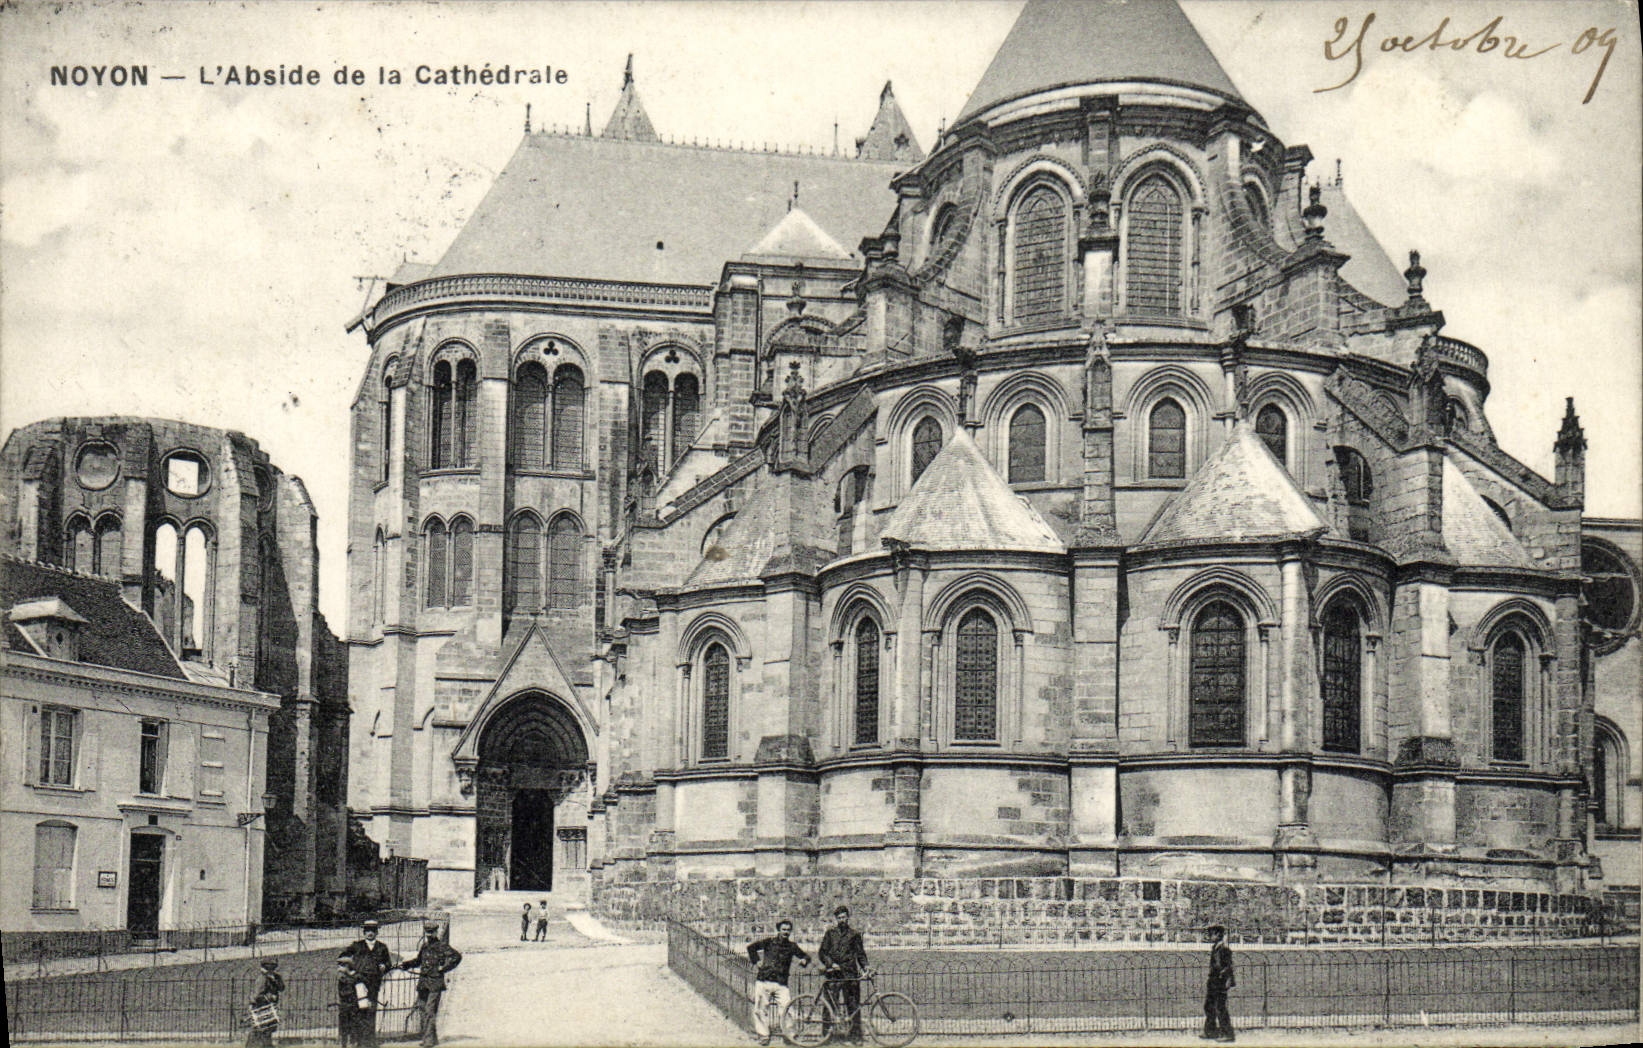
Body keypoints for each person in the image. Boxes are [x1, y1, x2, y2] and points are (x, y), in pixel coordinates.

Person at [397, 921, 463, 1048]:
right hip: (423, 983)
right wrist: (406, 965)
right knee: (422, 1009)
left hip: (435, 983)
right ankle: (431, 1038)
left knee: (430, 1011)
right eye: (427, 932)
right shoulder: (425, 946)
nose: (429, 934)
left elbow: (457, 957)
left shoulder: (442, 946)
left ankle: (429, 1040)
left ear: (436, 932)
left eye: (431, 932)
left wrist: (443, 968)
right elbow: (418, 961)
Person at [746, 919, 810, 1046]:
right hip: (764, 980)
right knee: (760, 1009)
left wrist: (804, 961)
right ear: (778, 930)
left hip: (781, 983)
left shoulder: (792, 946)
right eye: (783, 929)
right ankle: (764, 1035)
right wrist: (757, 961)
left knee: (787, 1009)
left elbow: (806, 956)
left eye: (788, 930)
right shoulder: (769, 942)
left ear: (790, 931)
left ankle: (789, 1035)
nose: (786, 932)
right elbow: (751, 948)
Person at [818, 905, 871, 1044]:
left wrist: (866, 967)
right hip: (833, 975)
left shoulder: (854, 934)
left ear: (848, 917)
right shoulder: (830, 934)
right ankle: (826, 1036)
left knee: (853, 1006)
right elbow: (822, 952)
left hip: (850, 974)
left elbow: (860, 954)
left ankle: (856, 1037)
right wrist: (831, 964)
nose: (842, 920)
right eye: (839, 918)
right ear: (836, 919)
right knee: (829, 1005)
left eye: (844, 917)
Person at [339, 919, 394, 1048]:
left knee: (371, 1010)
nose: (370, 933)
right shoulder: (357, 946)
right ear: (364, 933)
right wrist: (350, 971)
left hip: (374, 983)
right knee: (358, 1010)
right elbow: (341, 958)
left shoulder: (382, 947)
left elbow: (388, 963)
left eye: (373, 931)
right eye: (367, 931)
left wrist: (384, 966)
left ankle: (370, 1041)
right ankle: (358, 1041)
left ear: (377, 932)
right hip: (359, 983)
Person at [1202, 924, 1235, 1043]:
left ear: (1218, 935)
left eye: (1212, 934)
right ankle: (1211, 1031)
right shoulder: (1215, 948)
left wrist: (1227, 980)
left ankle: (1228, 1033)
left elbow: (1228, 966)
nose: (1210, 936)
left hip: (1220, 981)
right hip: (1213, 981)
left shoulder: (1224, 949)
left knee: (1220, 1008)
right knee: (1209, 1006)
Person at [246, 957, 283, 1048]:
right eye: (270, 967)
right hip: (260, 1006)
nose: (273, 969)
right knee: (262, 1028)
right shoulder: (262, 979)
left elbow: (282, 988)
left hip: (268, 1006)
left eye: (274, 967)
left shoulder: (274, 977)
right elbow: (257, 996)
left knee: (268, 1028)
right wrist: (270, 997)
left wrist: (276, 979)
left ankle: (265, 1045)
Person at [337, 956, 369, 1047]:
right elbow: (341, 993)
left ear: (347, 966)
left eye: (341, 965)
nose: (338, 968)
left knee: (355, 1029)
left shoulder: (357, 977)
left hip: (355, 1008)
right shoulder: (342, 978)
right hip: (344, 1007)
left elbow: (362, 992)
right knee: (344, 1030)